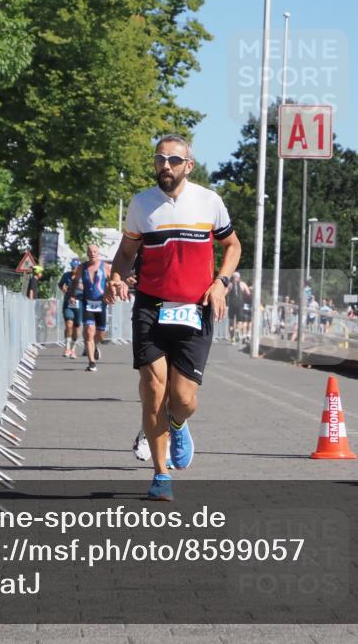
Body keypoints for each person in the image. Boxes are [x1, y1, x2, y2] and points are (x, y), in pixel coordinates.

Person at [104, 134, 241, 501]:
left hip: (195, 307)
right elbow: (126, 252)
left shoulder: (209, 202)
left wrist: (221, 283)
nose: (165, 166)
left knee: (182, 398)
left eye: (174, 160)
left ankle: (178, 423)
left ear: (188, 166)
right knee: (153, 390)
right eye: (160, 159)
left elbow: (232, 246)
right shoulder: (141, 204)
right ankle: (160, 474)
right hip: (151, 305)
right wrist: (115, 277)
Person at [80, 244, 109, 372]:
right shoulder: (82, 267)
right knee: (88, 332)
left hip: (101, 303)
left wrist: (111, 292)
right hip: (87, 303)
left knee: (100, 334)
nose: (92, 254)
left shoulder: (105, 267)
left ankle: (95, 345)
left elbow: (113, 281)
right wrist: (73, 294)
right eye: (90, 252)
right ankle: (91, 362)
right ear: (87, 253)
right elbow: (75, 280)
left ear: (98, 253)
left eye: (95, 251)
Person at [59, 258, 83, 358]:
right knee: (69, 324)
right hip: (68, 303)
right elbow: (60, 285)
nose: (73, 269)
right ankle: (67, 347)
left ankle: (73, 348)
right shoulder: (66, 275)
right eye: (72, 267)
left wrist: (82, 288)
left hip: (79, 303)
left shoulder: (83, 276)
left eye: (75, 267)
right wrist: (63, 289)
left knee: (76, 327)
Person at [226, 273, 250, 343]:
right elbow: (248, 293)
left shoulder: (230, 285)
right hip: (240, 305)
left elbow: (225, 293)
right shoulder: (243, 284)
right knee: (239, 321)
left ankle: (232, 338)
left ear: (233, 278)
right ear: (239, 278)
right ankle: (237, 330)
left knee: (231, 322)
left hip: (231, 305)